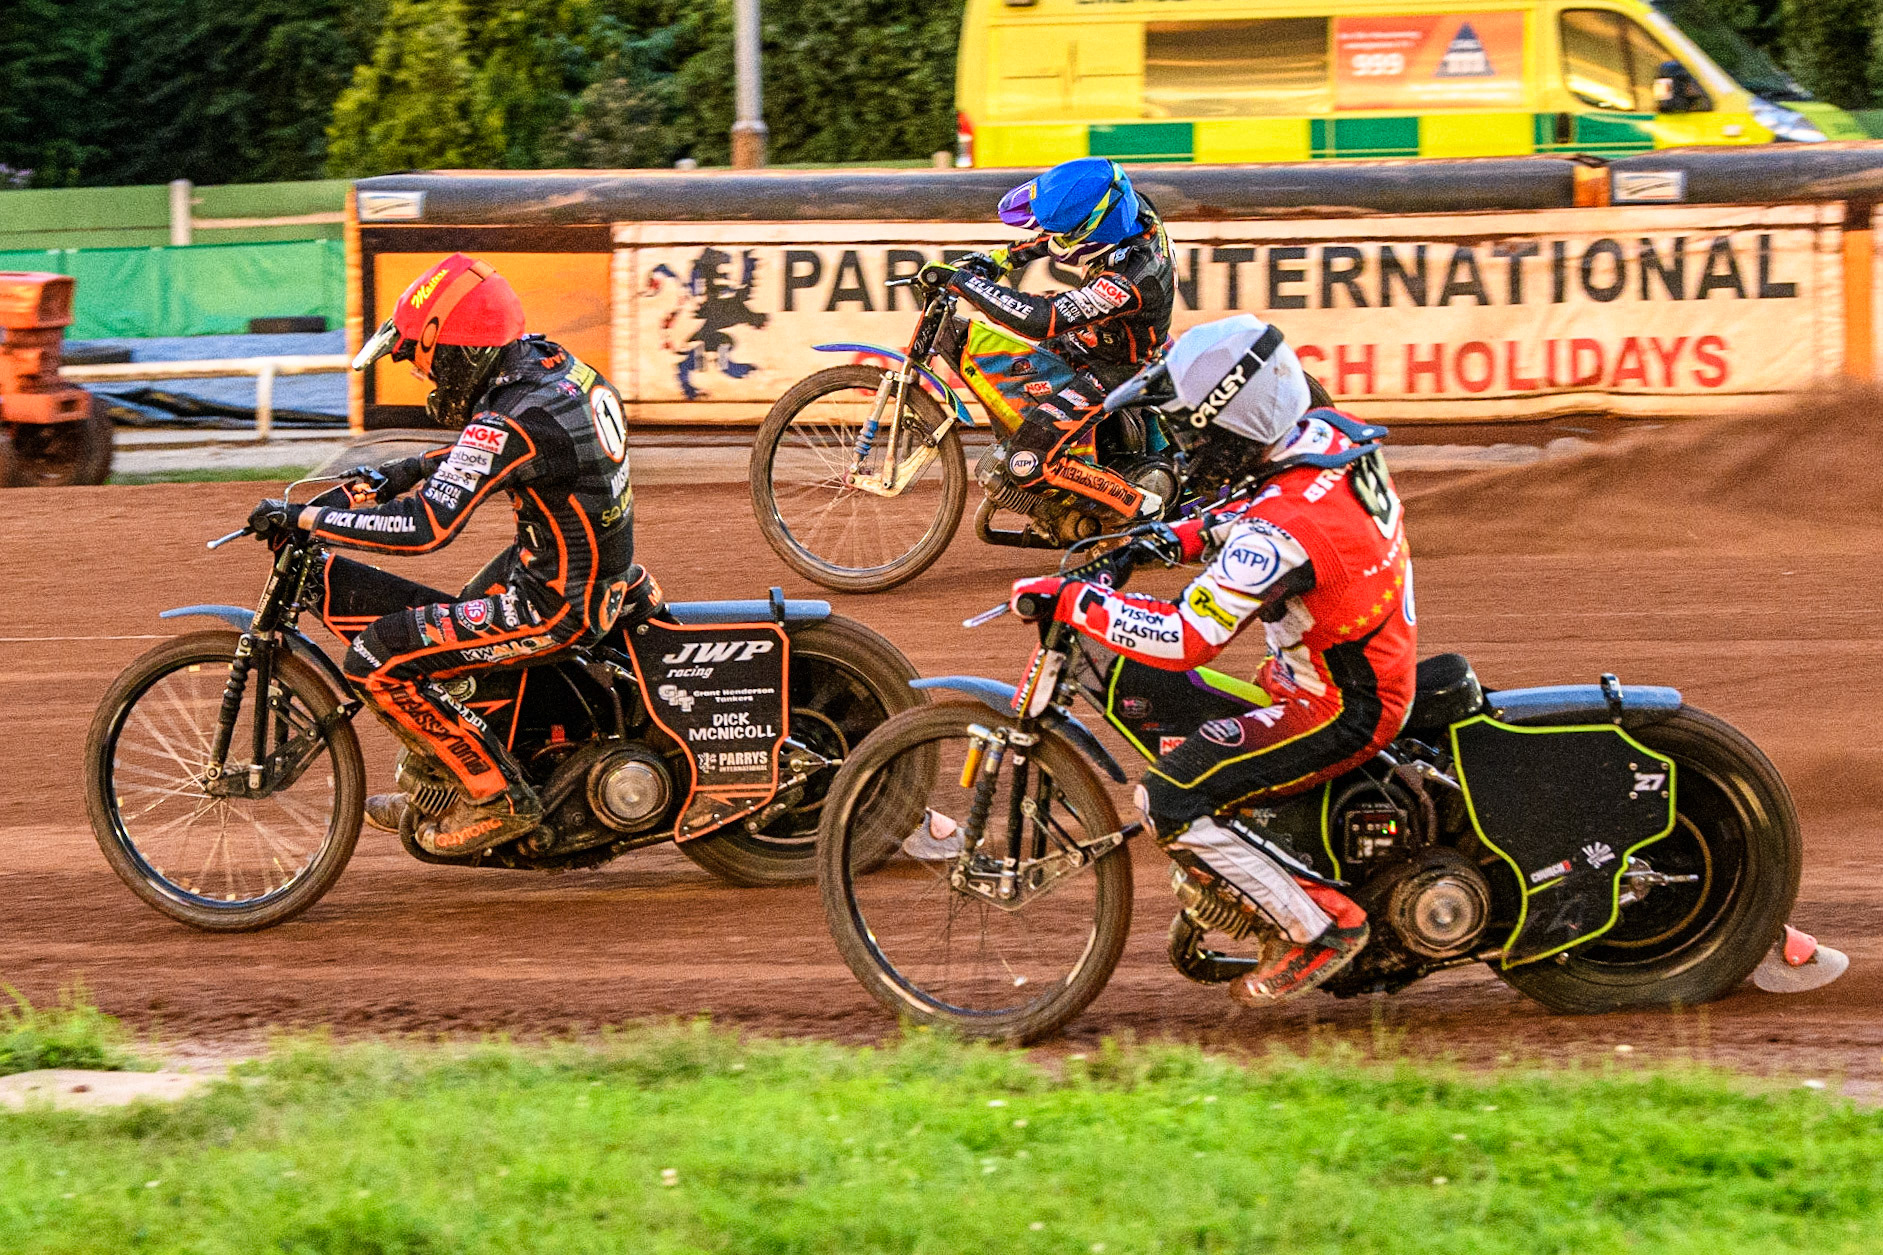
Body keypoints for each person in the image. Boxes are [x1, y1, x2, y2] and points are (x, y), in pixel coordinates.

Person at [1008, 315, 1417, 1005]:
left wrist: (1077, 601)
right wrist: (1167, 539)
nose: (1187, 448)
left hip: (1340, 705)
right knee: (1206, 737)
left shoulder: (1281, 530)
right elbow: (1260, 504)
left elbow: (1185, 638)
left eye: (1194, 433)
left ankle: (1319, 928)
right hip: (1346, 664)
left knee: (1169, 796)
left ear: (1234, 423)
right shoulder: (1326, 437)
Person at [247, 253, 640, 856]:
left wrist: (305, 517)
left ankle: (496, 798)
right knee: (442, 639)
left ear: (456, 348)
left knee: (377, 658)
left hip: (556, 604)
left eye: (424, 362)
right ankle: (442, 779)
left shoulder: (513, 417)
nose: (424, 378)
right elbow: (489, 453)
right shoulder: (552, 369)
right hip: (580, 572)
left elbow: (424, 528)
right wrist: (401, 470)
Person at [946, 157, 1176, 465]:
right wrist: (1003, 258)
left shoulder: (1130, 280)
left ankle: (1106, 491)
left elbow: (1042, 319)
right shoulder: (1132, 207)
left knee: (1027, 459)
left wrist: (966, 284)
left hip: (1115, 369)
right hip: (1095, 339)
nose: (1058, 240)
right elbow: (1067, 229)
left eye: (1066, 234)